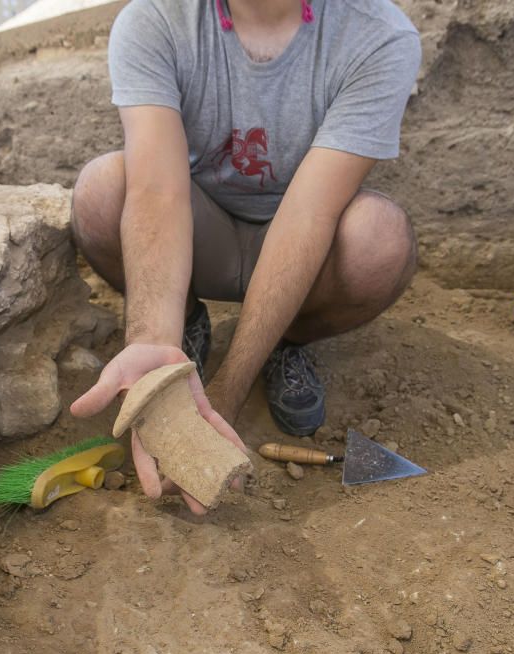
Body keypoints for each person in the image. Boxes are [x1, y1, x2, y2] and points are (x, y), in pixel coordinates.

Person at [70, 0, 422, 514]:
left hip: (302, 242)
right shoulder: (157, 18)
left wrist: (225, 395)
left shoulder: (377, 35)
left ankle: (285, 341)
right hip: (202, 231)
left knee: (380, 240)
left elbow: (309, 214)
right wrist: (152, 349)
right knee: (103, 190)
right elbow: (156, 192)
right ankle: (182, 325)